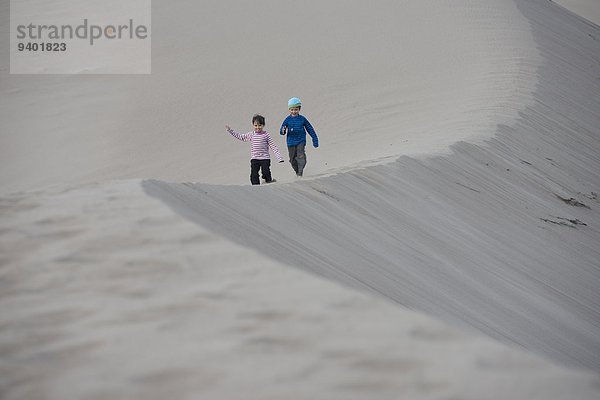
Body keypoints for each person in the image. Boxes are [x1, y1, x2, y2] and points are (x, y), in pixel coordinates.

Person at [226, 114, 284, 185]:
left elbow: (273, 146)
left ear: (263, 125)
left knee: (266, 172)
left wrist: (279, 157)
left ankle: (269, 182)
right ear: (253, 125)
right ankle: (256, 188)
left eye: (260, 125)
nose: (258, 127)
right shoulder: (251, 134)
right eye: (256, 125)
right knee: (254, 174)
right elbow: (241, 137)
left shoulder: (266, 135)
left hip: (265, 158)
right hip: (255, 158)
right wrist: (230, 131)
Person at [280, 97, 319, 177]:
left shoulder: (302, 119)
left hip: (301, 140)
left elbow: (310, 129)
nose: (294, 111)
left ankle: (300, 172)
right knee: (292, 160)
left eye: (296, 109)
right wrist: (283, 130)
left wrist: (315, 140)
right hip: (290, 142)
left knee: (300, 156)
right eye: (292, 109)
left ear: (299, 109)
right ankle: (297, 171)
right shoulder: (287, 120)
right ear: (289, 110)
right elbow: (282, 131)